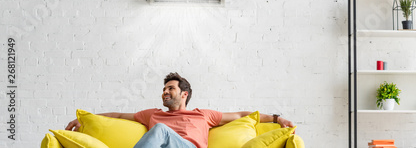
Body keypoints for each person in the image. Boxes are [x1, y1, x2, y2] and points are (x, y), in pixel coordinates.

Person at [65, 72, 294, 148]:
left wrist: (276, 117)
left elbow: (244, 116)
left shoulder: (203, 114)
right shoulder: (152, 114)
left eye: (170, 88)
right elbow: (116, 115)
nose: (165, 92)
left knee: (161, 131)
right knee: (160, 129)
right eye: (164, 89)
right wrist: (84, 120)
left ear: (184, 94)